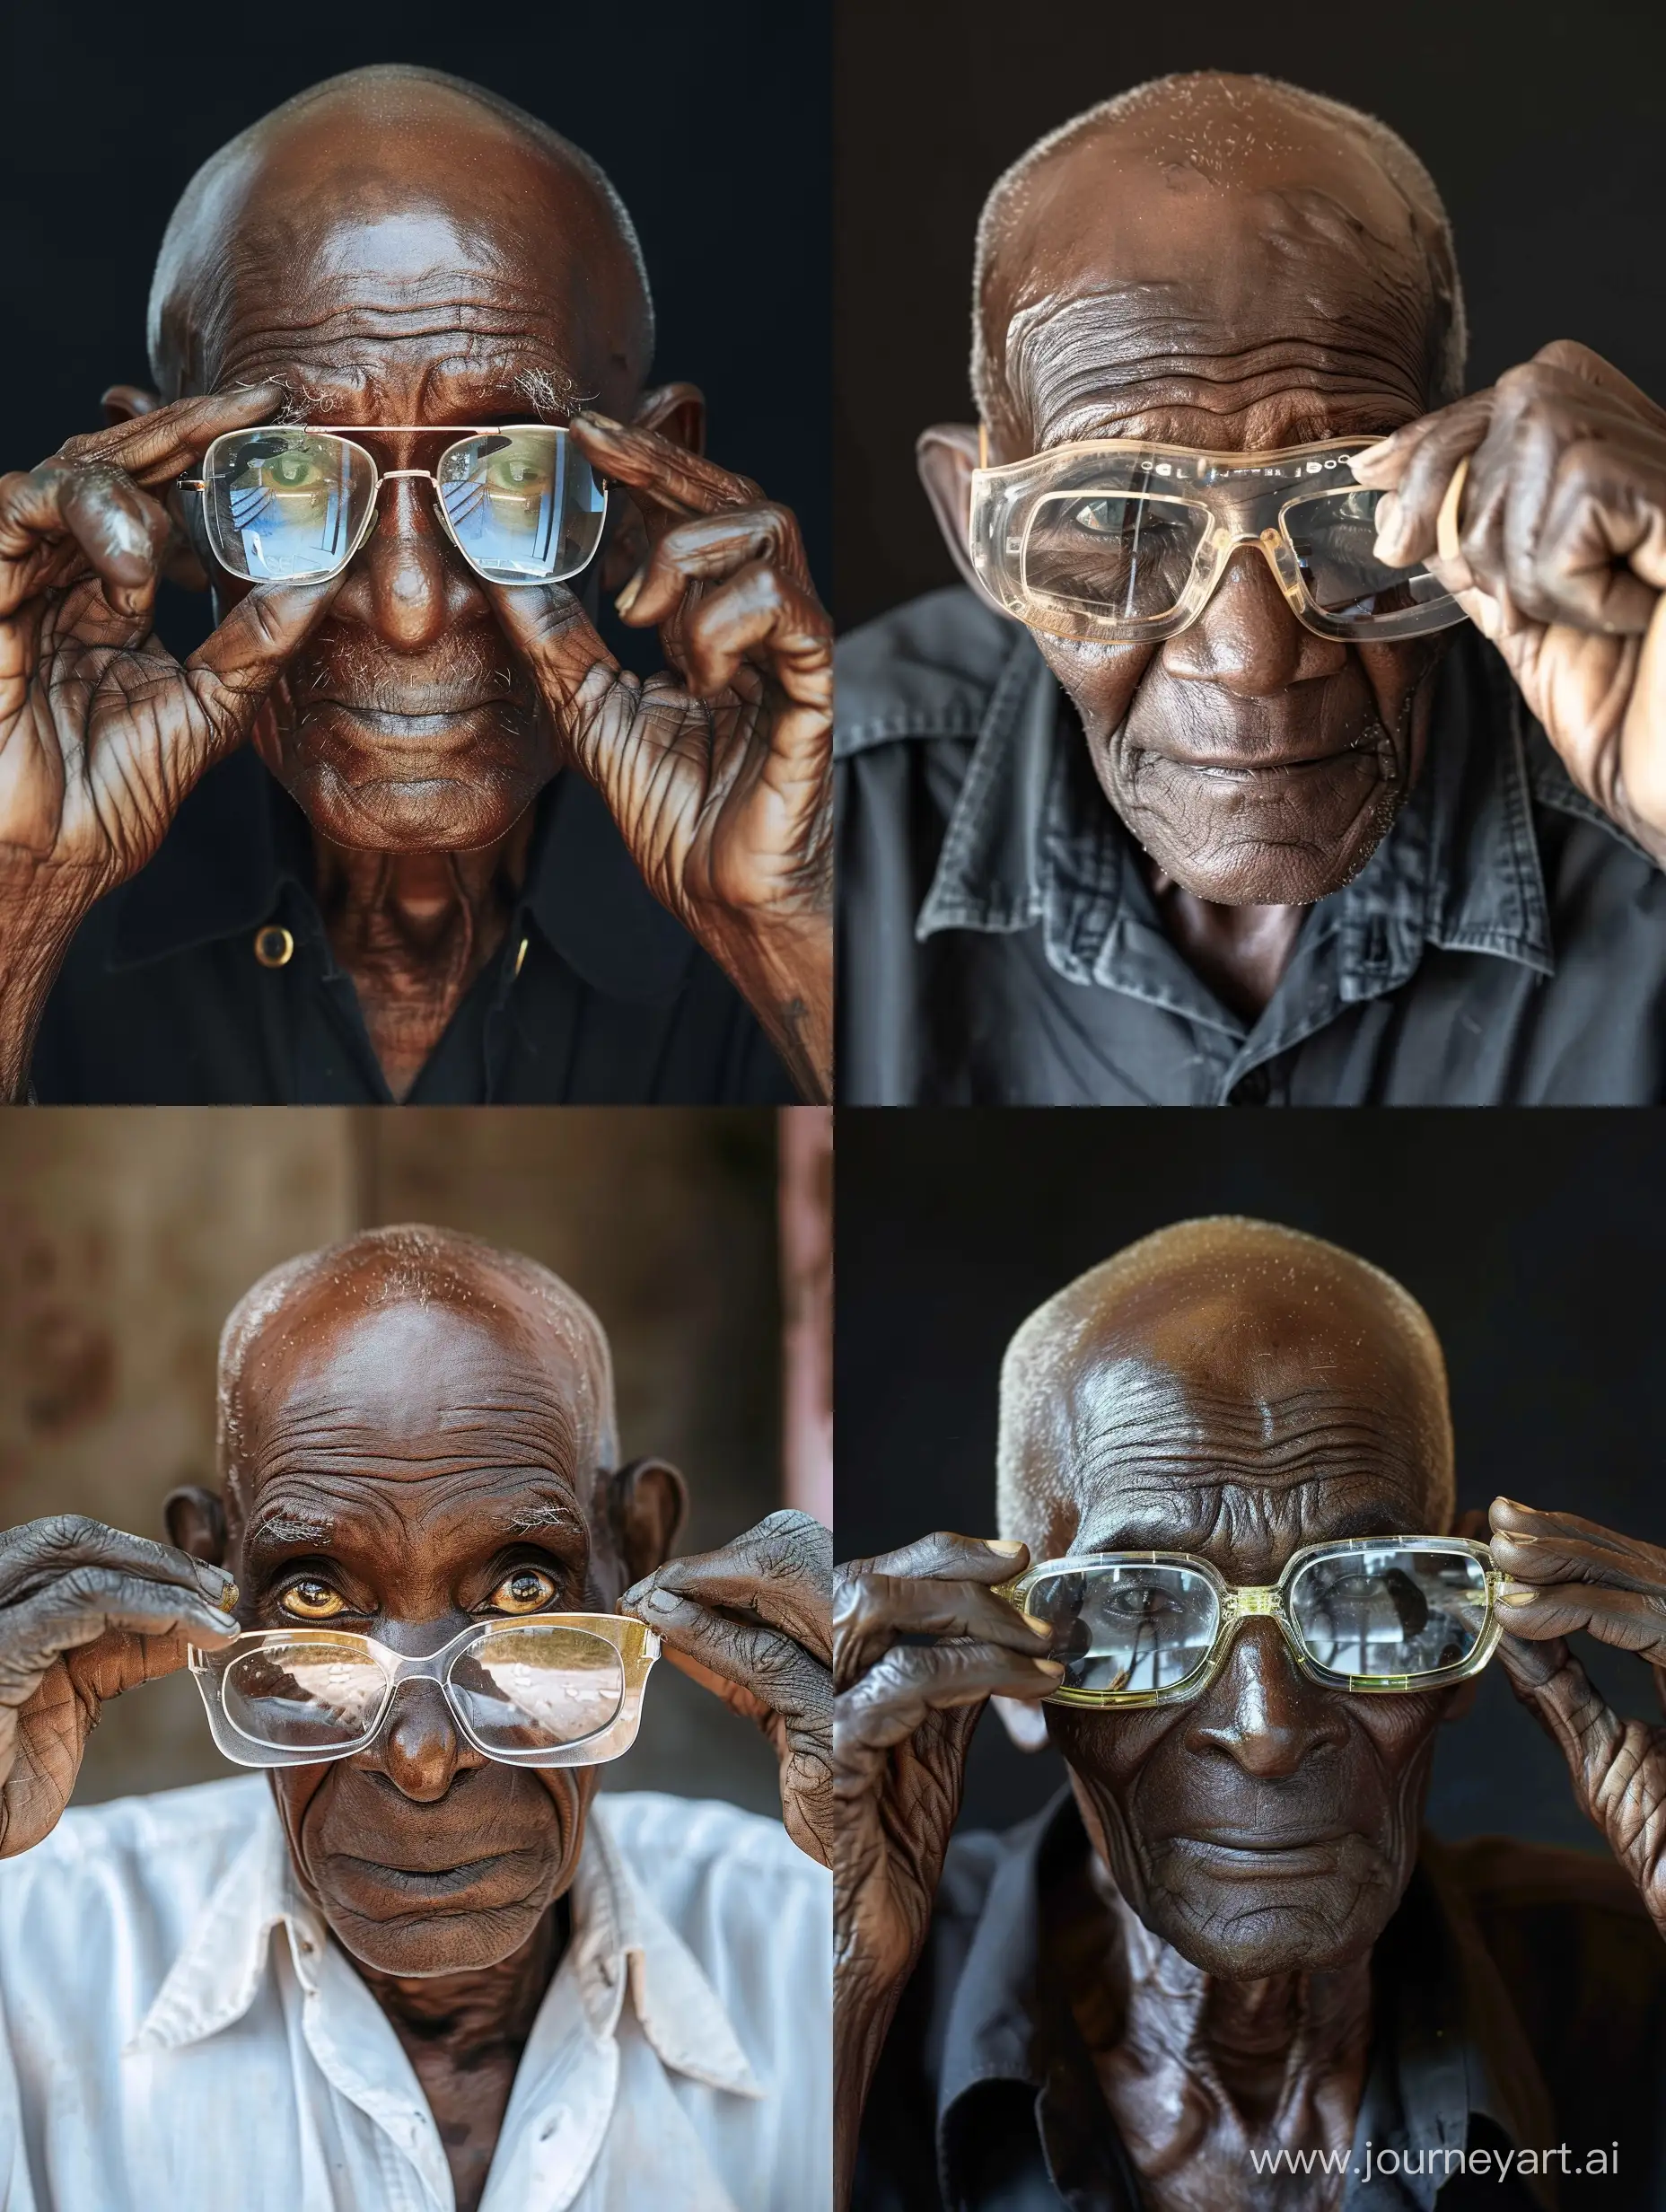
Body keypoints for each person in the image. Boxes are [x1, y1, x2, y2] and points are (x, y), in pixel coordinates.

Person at [0, 66, 831, 1105]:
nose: (406, 608)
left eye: (513, 472)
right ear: (163, 503)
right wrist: (18, 903)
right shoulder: (38, 852)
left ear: (644, 500)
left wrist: (786, 923)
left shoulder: (808, 890)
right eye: (293, 474)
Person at [835, 71, 1666, 1104]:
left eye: (1347, 503)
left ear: (1472, 471)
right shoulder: (826, 807)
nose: (1255, 654)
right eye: (1114, 514)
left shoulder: (1632, 785)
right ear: (977, 529)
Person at [834, 1219, 1666, 2208]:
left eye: (1365, 1598)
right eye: (1140, 1604)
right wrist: (842, 2006)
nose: (1267, 1729)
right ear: (1009, 1666)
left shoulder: (1629, 1983)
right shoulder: (842, 1979)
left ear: (1473, 1645)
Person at [0, 1224, 832, 2212]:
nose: (424, 1756)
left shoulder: (815, 1943)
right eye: (314, 1596)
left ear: (636, 1553)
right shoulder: (31, 1953)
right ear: (213, 1577)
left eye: (523, 1589)